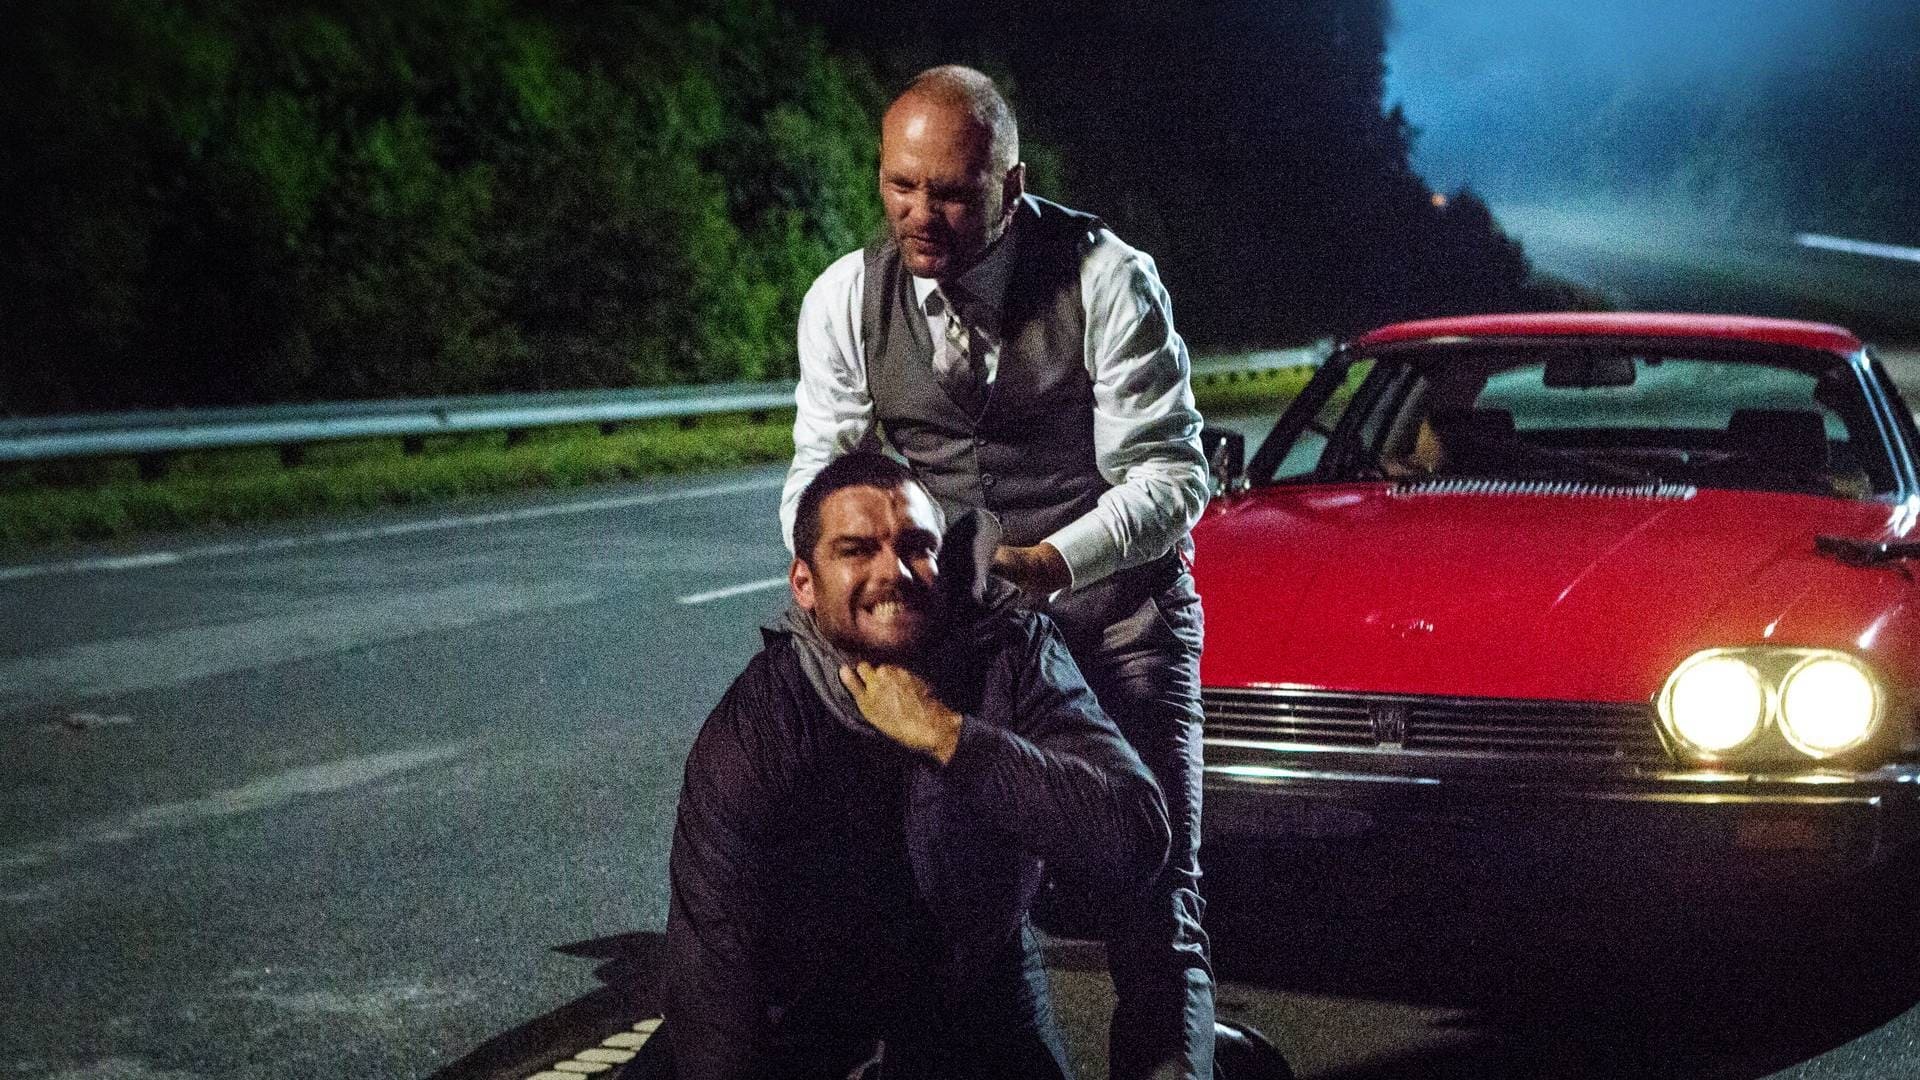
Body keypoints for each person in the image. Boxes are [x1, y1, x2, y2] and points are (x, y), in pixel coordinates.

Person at [781, 66, 1220, 1078]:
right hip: (974, 631)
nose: (917, 214)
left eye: (949, 193)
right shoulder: (845, 295)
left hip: (1122, 622)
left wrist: (1051, 563)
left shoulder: (1109, 278)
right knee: (959, 899)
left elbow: (1171, 478)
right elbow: (821, 470)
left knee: (1155, 901)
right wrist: (834, 581)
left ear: (1011, 187)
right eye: (899, 185)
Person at [663, 452, 1172, 1079]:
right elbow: (714, 970)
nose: (894, 572)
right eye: (856, 551)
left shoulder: (1012, 651)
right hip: (803, 1013)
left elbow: (1135, 834)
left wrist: (949, 735)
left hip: (974, 985)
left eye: (916, 547)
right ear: (804, 584)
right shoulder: (761, 722)